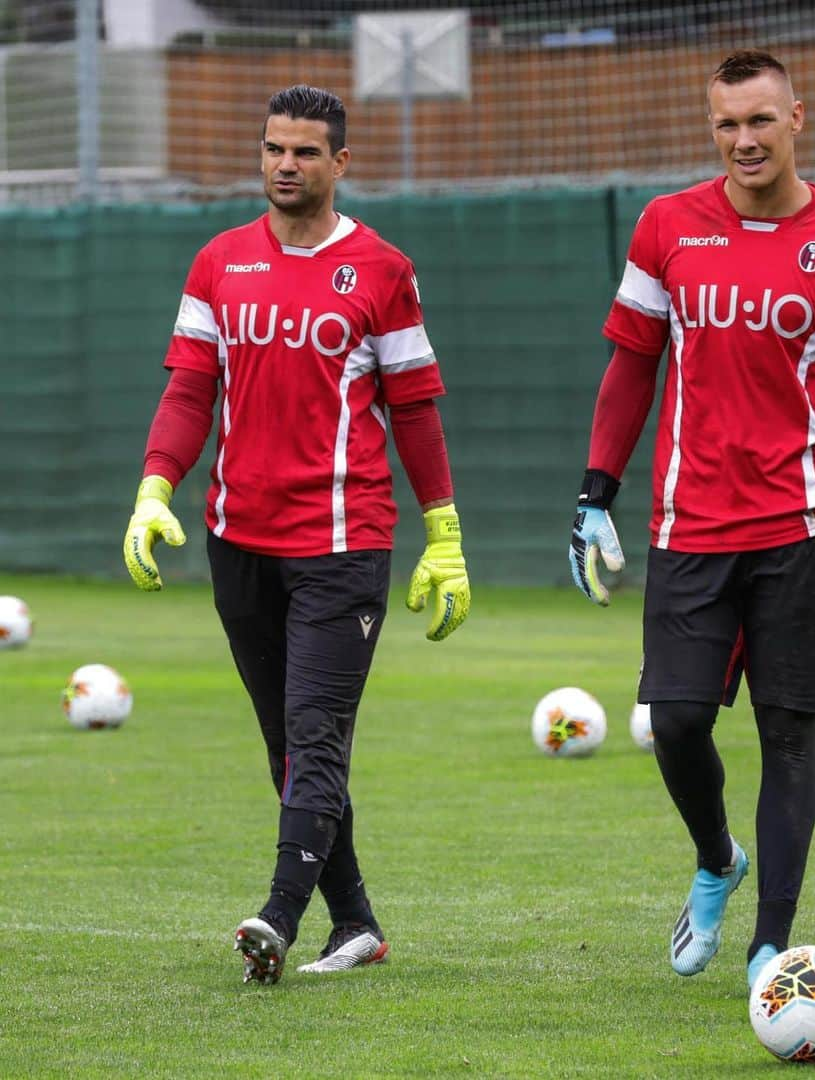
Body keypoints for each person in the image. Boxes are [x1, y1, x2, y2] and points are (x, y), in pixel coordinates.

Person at [568, 50, 815, 990]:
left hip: (804, 525)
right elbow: (632, 366)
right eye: (727, 124)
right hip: (688, 524)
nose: (744, 140)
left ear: (796, 116)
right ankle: (718, 857)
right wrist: (595, 492)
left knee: (788, 733)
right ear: (711, 126)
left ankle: (771, 946)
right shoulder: (667, 226)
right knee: (675, 722)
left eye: (761, 120)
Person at [122, 85, 471, 985]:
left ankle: (278, 914)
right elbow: (191, 389)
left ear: (340, 163)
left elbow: (417, 411)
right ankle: (354, 921)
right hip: (238, 542)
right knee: (286, 741)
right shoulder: (219, 261)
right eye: (275, 147)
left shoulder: (383, 271)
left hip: (343, 546)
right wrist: (155, 488)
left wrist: (445, 533)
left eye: (306, 151)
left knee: (315, 735)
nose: (286, 164)